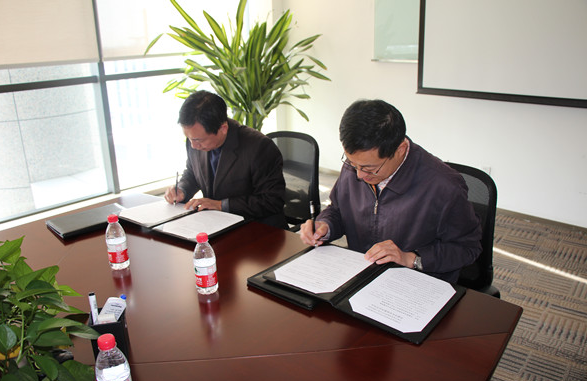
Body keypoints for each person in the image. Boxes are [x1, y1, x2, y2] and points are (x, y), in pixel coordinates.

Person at [300, 99, 482, 283]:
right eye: (352, 163)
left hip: (415, 283)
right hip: (361, 274)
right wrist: (325, 226)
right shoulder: (356, 167)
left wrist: (411, 258)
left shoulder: (444, 186)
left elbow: (467, 247)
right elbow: (338, 210)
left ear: (400, 149)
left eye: (369, 168)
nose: (359, 175)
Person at [164, 90, 287, 229]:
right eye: (189, 138)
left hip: (257, 229)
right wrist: (182, 190)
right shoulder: (195, 139)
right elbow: (192, 173)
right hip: (217, 226)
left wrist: (221, 205)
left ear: (223, 128)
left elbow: (272, 201)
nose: (193, 145)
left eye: (198, 140)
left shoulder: (259, 147)